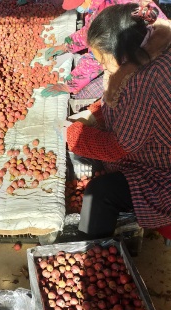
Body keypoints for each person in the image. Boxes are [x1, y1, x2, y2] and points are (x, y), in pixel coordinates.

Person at [65, 4, 171, 241]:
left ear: (121, 52)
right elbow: (112, 101)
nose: (103, 68)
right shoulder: (148, 49)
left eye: (103, 61)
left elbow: (117, 147)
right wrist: (94, 113)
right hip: (154, 144)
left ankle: (90, 255)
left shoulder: (144, 82)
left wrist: (73, 135)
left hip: (163, 172)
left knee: (99, 193)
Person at [42, 0, 167, 99]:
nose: (80, 8)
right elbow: (90, 33)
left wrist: (69, 86)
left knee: (92, 93)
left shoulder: (121, 16)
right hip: (132, 53)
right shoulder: (105, 8)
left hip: (142, 64)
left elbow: (97, 56)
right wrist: (66, 46)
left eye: (81, 4)